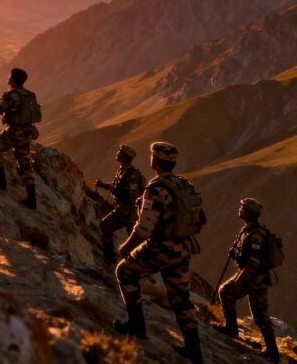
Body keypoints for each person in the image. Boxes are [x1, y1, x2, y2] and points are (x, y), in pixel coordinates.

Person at [114, 141, 204, 364]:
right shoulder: (184, 185)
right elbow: (200, 219)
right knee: (181, 298)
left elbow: (144, 226)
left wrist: (127, 246)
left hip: (161, 248)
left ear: (155, 161)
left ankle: (136, 326)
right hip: (183, 249)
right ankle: (194, 350)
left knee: (125, 273)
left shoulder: (156, 189)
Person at [213, 198, 280, 362]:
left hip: (254, 277)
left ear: (249, 212)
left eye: (242, 208)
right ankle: (272, 351)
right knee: (260, 313)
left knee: (227, 292)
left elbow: (253, 263)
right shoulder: (250, 230)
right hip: (258, 277)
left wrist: (239, 283)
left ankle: (231, 329)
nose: (239, 209)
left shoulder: (255, 234)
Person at [0, 68, 38, 209]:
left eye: (10, 75)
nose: (8, 77)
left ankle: (0, 181)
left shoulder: (11, 94)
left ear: (13, 79)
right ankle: (32, 200)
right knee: (25, 163)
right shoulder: (29, 94)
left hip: (15, 131)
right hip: (27, 132)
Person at [95, 145, 145, 264]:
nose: (118, 153)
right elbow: (116, 185)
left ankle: (110, 259)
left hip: (128, 210)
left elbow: (133, 195)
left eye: (120, 152)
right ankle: (133, 261)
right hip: (126, 209)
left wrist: (129, 212)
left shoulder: (131, 175)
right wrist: (103, 185)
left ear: (125, 157)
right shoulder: (123, 171)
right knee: (132, 239)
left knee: (105, 225)